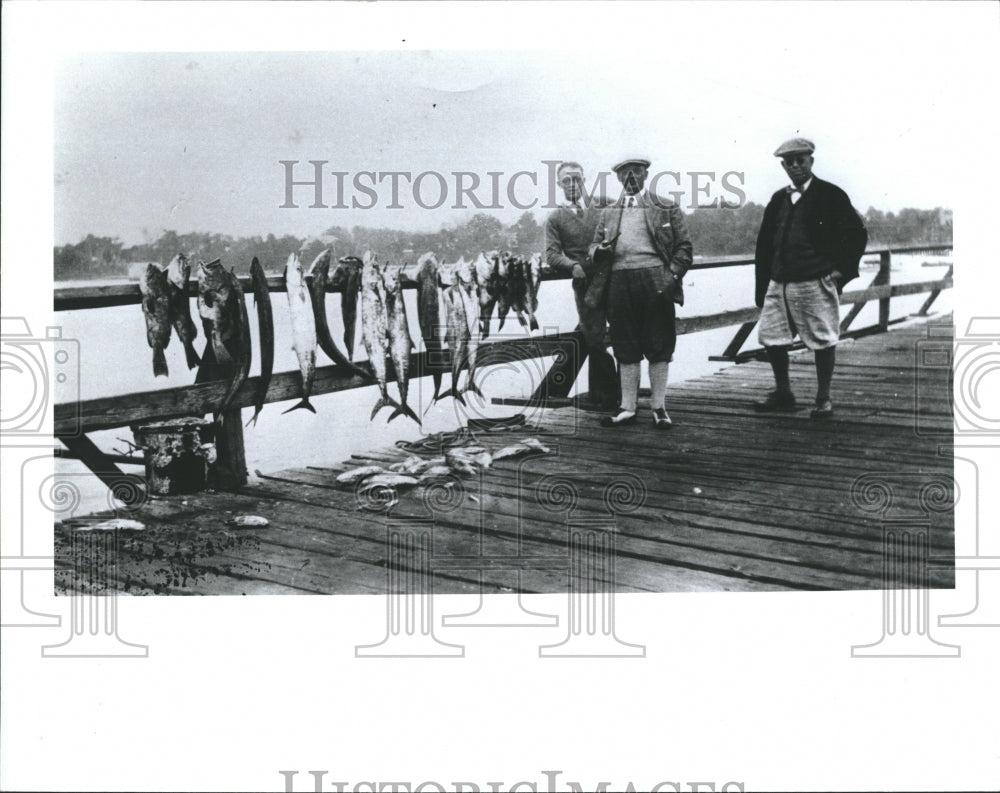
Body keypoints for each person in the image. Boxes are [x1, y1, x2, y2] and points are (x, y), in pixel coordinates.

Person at [753, 137, 868, 419]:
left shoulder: (830, 195)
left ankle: (823, 398)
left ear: (811, 162)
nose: (795, 166)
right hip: (779, 282)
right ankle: (783, 392)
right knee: (772, 337)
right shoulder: (778, 199)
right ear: (783, 166)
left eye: (800, 160)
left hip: (814, 280)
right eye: (789, 162)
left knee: (822, 338)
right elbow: (765, 245)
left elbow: (856, 235)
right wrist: (762, 284)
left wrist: (842, 272)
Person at [586, 157, 693, 429]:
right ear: (618, 179)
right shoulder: (609, 211)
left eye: (635, 172)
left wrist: (670, 276)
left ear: (646, 175)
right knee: (625, 344)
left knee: (660, 343)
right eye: (624, 174)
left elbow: (684, 248)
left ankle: (659, 408)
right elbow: (593, 247)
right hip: (618, 282)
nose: (630, 178)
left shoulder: (665, 206)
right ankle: (627, 408)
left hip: (656, 279)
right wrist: (599, 251)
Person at [544, 161, 619, 409]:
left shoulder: (605, 204)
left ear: (584, 179)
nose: (572, 184)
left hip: (616, 276)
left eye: (576, 178)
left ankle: (624, 393)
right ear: (559, 184)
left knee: (625, 334)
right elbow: (552, 254)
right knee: (594, 337)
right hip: (585, 284)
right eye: (566, 180)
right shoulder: (555, 218)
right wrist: (571, 265)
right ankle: (606, 398)